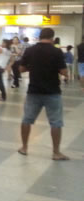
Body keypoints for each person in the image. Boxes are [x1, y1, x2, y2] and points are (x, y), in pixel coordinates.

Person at [18, 28, 69, 161]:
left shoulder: (30, 50)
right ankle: (56, 153)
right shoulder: (57, 51)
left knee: (27, 120)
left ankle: (24, 148)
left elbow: (21, 69)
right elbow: (64, 72)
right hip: (52, 92)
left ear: (40, 37)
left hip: (33, 91)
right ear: (52, 37)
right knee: (56, 122)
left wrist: (34, 66)